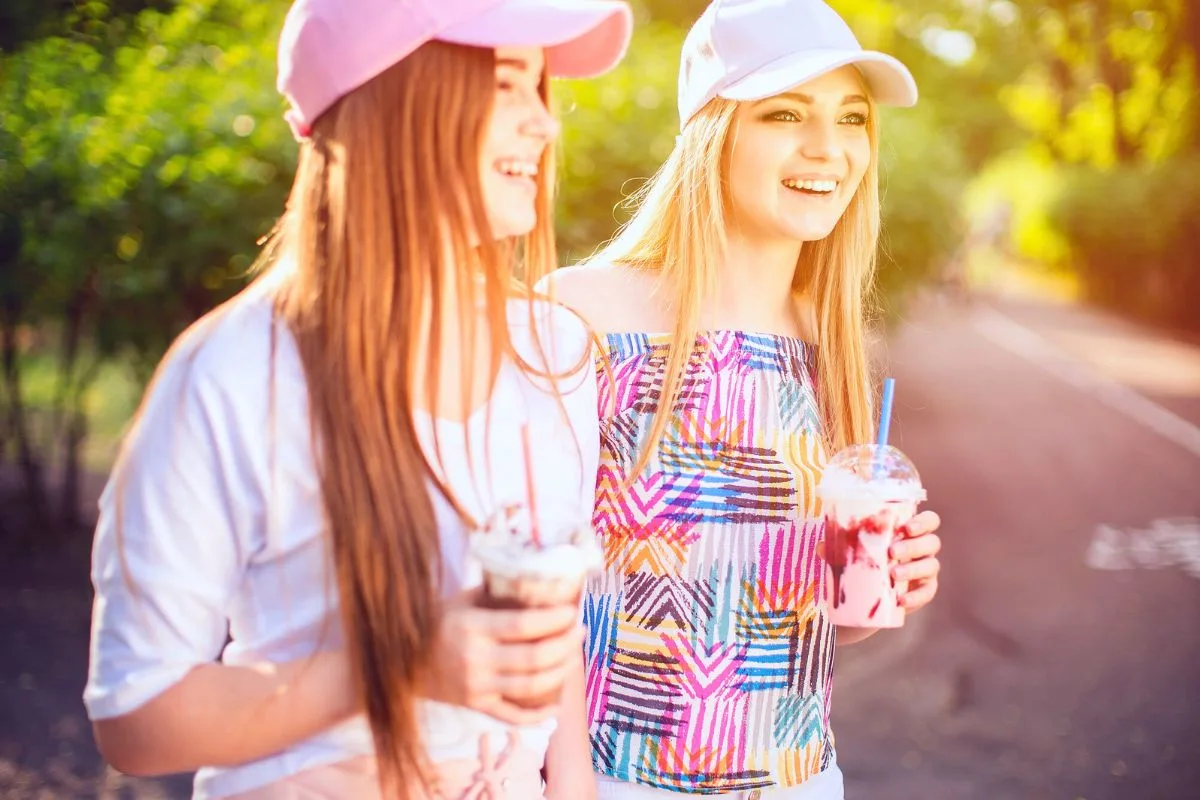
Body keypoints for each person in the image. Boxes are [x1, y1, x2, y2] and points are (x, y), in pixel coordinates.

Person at [83, 1, 632, 798]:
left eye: (539, 89)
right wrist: (400, 666)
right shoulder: (235, 374)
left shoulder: (555, 354)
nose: (544, 125)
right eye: (508, 85)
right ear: (394, 90)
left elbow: (550, 650)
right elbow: (136, 718)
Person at [546, 1, 943, 797]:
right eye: (785, 113)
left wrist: (872, 591)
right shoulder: (577, 315)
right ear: (714, 131)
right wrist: (567, 785)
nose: (829, 149)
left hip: (801, 778)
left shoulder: (828, 343)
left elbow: (814, 622)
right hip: (615, 783)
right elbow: (535, 584)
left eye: (853, 117)